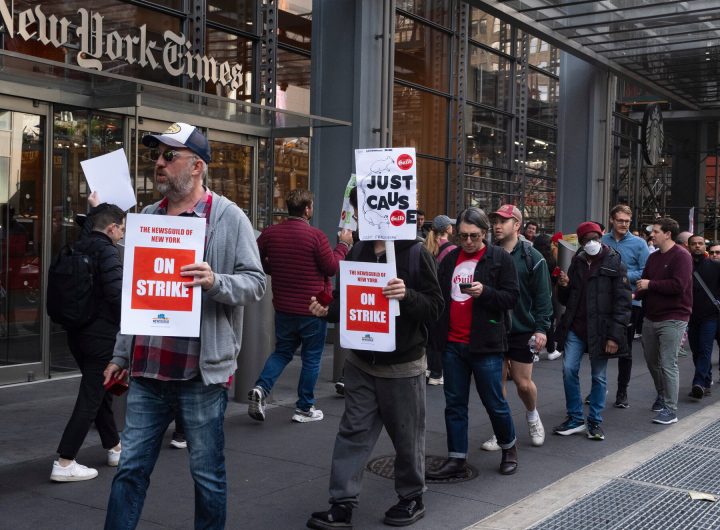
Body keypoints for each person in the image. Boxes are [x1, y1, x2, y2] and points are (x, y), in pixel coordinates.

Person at [103, 122, 266, 529]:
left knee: (207, 476)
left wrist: (215, 282)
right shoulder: (147, 217)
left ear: (197, 166)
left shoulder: (228, 217)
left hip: (200, 375)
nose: (158, 163)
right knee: (130, 471)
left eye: (167, 156)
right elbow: (136, 294)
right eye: (157, 156)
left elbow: (256, 283)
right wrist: (122, 354)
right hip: (147, 371)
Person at [305, 194, 444, 528]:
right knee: (352, 433)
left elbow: (435, 307)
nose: (362, 215)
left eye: (367, 207)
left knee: (407, 437)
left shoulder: (414, 253)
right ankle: (341, 504)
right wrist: (327, 311)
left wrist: (406, 295)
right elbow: (348, 301)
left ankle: (412, 497)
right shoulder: (358, 251)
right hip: (362, 364)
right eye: (360, 208)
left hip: (402, 366)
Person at [426, 207, 520, 480]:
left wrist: (486, 292)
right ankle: (456, 457)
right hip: (453, 343)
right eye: (463, 236)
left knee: (494, 401)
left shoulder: (499, 258)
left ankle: (509, 448)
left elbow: (511, 297)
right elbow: (439, 297)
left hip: (486, 344)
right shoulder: (450, 258)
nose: (468, 242)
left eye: (474, 236)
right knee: (454, 403)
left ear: (485, 233)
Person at [247, 188, 353, 423]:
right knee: (312, 357)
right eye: (312, 206)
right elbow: (332, 267)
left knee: (283, 351)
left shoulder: (270, 233)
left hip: (284, 306)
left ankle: (261, 389)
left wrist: (272, 268)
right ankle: (304, 407)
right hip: (313, 308)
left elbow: (254, 257)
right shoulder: (316, 237)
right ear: (307, 209)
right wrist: (343, 246)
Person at [51, 199, 126, 482]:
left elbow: (90, 229)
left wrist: (94, 207)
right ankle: (65, 461)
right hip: (101, 337)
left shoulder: (80, 244)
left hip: (76, 334)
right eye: (121, 229)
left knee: (101, 393)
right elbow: (117, 295)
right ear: (111, 228)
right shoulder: (107, 252)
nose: (121, 235)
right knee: (91, 397)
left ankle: (115, 447)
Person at [481, 204, 552, 451]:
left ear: (517, 225)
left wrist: (541, 329)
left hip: (523, 329)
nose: (497, 225)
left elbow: (543, 297)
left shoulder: (533, 257)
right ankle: (501, 431)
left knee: (523, 383)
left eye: (503, 221)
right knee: (496, 384)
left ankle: (532, 416)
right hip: (493, 327)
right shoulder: (488, 254)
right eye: (495, 220)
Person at [554, 222, 631, 441]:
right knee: (569, 370)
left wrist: (615, 335)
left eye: (595, 238)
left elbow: (623, 302)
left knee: (599, 376)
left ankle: (595, 421)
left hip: (602, 329)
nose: (592, 243)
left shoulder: (614, 261)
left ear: (601, 237)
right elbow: (567, 299)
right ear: (580, 242)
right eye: (587, 239)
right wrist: (564, 285)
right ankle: (575, 417)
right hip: (576, 327)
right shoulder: (577, 261)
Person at [636, 217, 693, 425]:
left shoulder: (682, 256)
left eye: (656, 231)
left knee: (669, 362)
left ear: (668, 234)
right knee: (652, 361)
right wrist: (635, 294)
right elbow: (644, 284)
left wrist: (650, 285)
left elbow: (679, 286)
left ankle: (671, 409)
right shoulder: (653, 258)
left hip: (674, 317)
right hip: (651, 316)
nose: (652, 235)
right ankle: (662, 394)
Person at [601, 204, 649, 409]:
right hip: (603, 302)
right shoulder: (601, 241)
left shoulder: (639, 244)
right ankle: (598, 389)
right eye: (620, 220)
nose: (623, 224)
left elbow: (646, 271)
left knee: (625, 350)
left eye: (627, 221)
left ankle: (622, 392)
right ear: (612, 219)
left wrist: (621, 276)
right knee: (598, 347)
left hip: (630, 302)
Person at [424, 214, 457, 385]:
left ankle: (430, 368)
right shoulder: (452, 250)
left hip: (428, 296)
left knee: (430, 334)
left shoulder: (427, 246)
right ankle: (437, 373)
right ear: (447, 229)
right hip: (444, 298)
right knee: (440, 335)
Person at [686, 235, 720, 399]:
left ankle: (698, 382)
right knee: (695, 350)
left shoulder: (716, 266)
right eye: (694, 244)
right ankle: (706, 381)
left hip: (710, 316)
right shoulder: (685, 266)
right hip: (691, 316)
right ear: (689, 246)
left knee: (705, 349)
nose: (697, 246)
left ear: (704, 246)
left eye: (700, 243)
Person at [532, 234, 562, 360]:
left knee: (534, 320)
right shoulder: (550, 259)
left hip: (534, 291)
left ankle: (535, 352)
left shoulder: (533, 256)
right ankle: (550, 349)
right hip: (549, 291)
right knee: (547, 321)